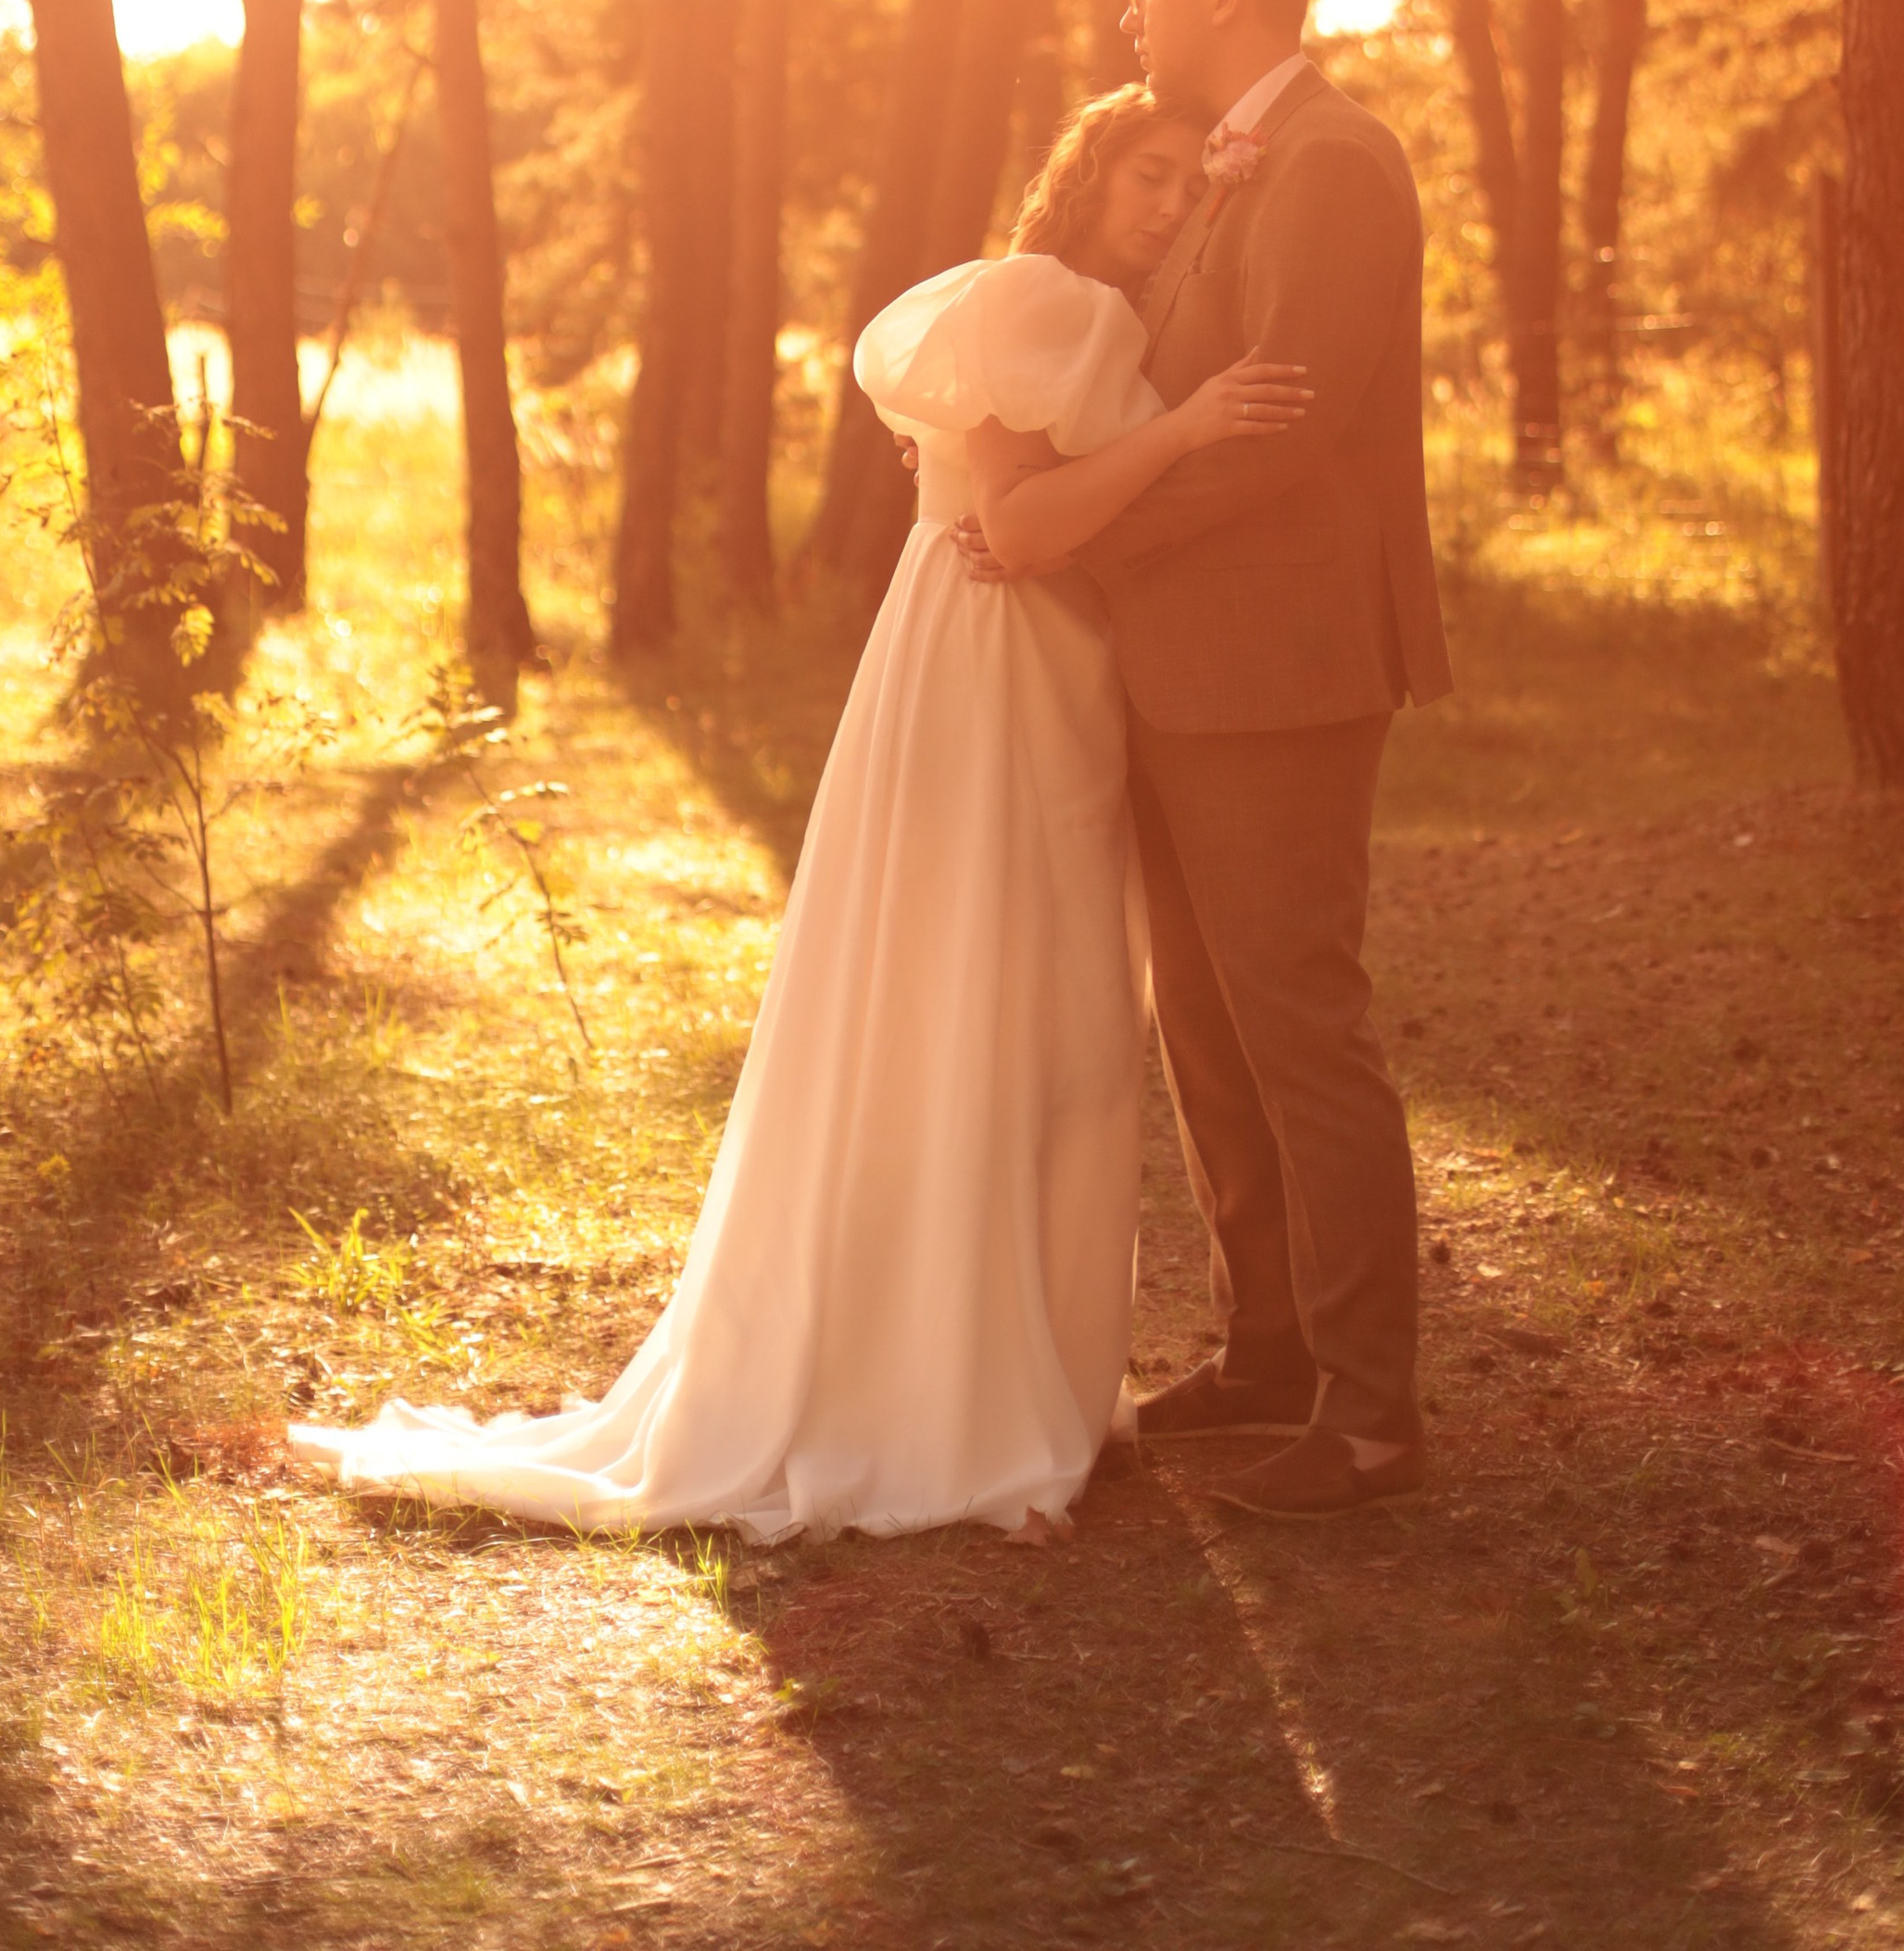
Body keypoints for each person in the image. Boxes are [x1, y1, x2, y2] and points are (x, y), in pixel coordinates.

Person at [287, 87, 1309, 1542]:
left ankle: (1011, 1377)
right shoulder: (1046, 299)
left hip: (1044, 674)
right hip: (990, 671)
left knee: (1057, 1024)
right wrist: (1192, 430)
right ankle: (940, 1395)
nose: (1165, 203)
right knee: (996, 1009)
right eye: (1143, 175)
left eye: (1182, 187)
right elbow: (1016, 529)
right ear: (1082, 180)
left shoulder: (1101, 321)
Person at [965, 0, 1450, 1518]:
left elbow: (1288, 425)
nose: (1132, 14)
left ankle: (1371, 1417)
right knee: (1213, 1030)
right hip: (1176, 664)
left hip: (1283, 665)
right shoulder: (1229, 172)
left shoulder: (1334, 164)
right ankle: (1272, 1354)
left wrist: (1077, 551)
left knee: (1299, 1021)